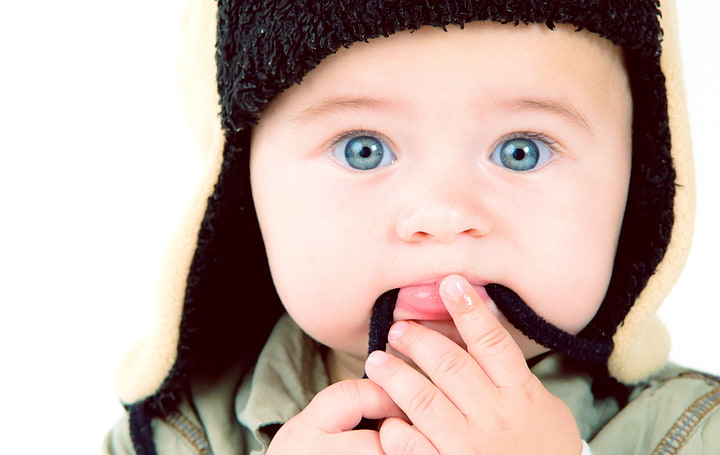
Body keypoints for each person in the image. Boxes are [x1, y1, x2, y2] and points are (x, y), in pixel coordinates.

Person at [105, 0, 720, 454]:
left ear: (641, 190)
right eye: (363, 149)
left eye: (521, 151)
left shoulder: (692, 431)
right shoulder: (177, 437)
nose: (444, 216)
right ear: (242, 194)